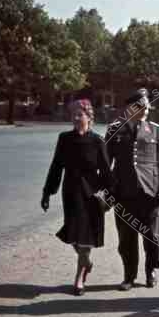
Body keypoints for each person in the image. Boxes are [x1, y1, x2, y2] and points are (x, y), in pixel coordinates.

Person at [41, 99, 113, 296]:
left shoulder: (97, 141)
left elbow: (106, 171)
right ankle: (87, 262)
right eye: (73, 114)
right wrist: (47, 192)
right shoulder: (64, 138)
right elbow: (56, 166)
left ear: (89, 117)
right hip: (71, 192)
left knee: (85, 236)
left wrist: (109, 197)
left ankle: (80, 277)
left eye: (79, 114)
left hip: (91, 194)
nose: (75, 118)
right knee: (73, 234)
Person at [105, 88, 159, 291]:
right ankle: (129, 276)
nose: (145, 109)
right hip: (124, 193)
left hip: (150, 193)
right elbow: (106, 163)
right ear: (129, 108)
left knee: (153, 237)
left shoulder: (155, 129)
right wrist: (107, 190)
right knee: (126, 239)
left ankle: (150, 271)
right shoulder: (115, 129)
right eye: (140, 106)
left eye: (147, 106)